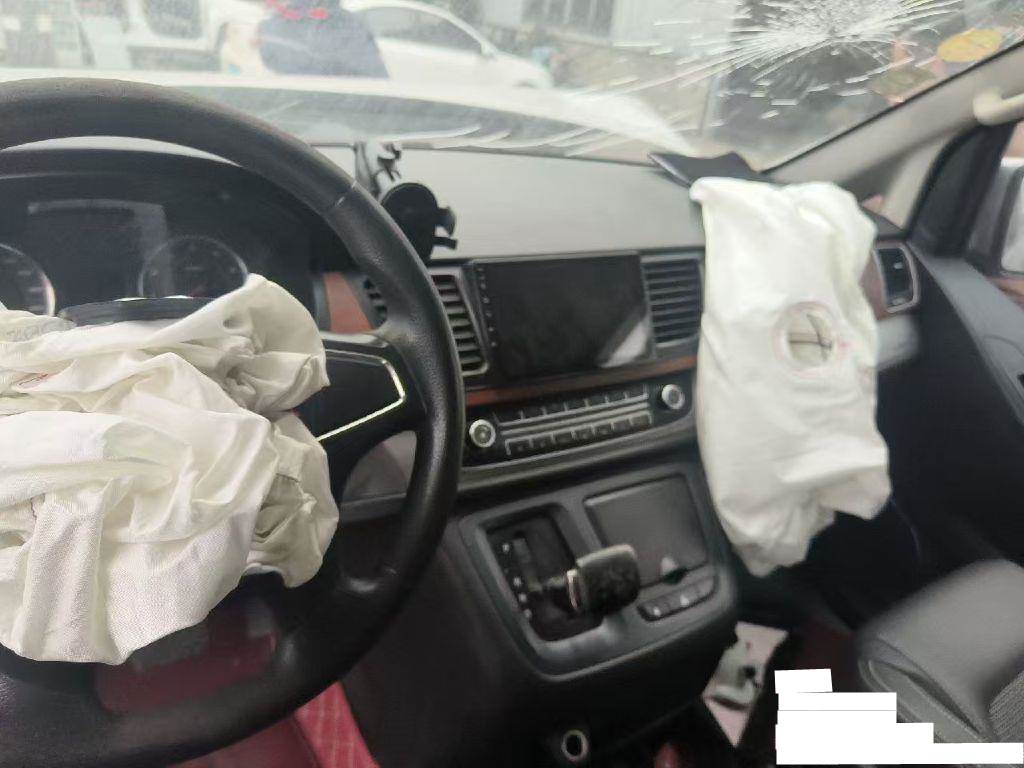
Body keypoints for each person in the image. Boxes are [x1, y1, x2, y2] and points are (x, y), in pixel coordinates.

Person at [258, 0, 389, 77]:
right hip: (291, 105)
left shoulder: (348, 24)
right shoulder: (272, 26)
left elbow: (371, 78)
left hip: (334, 105)